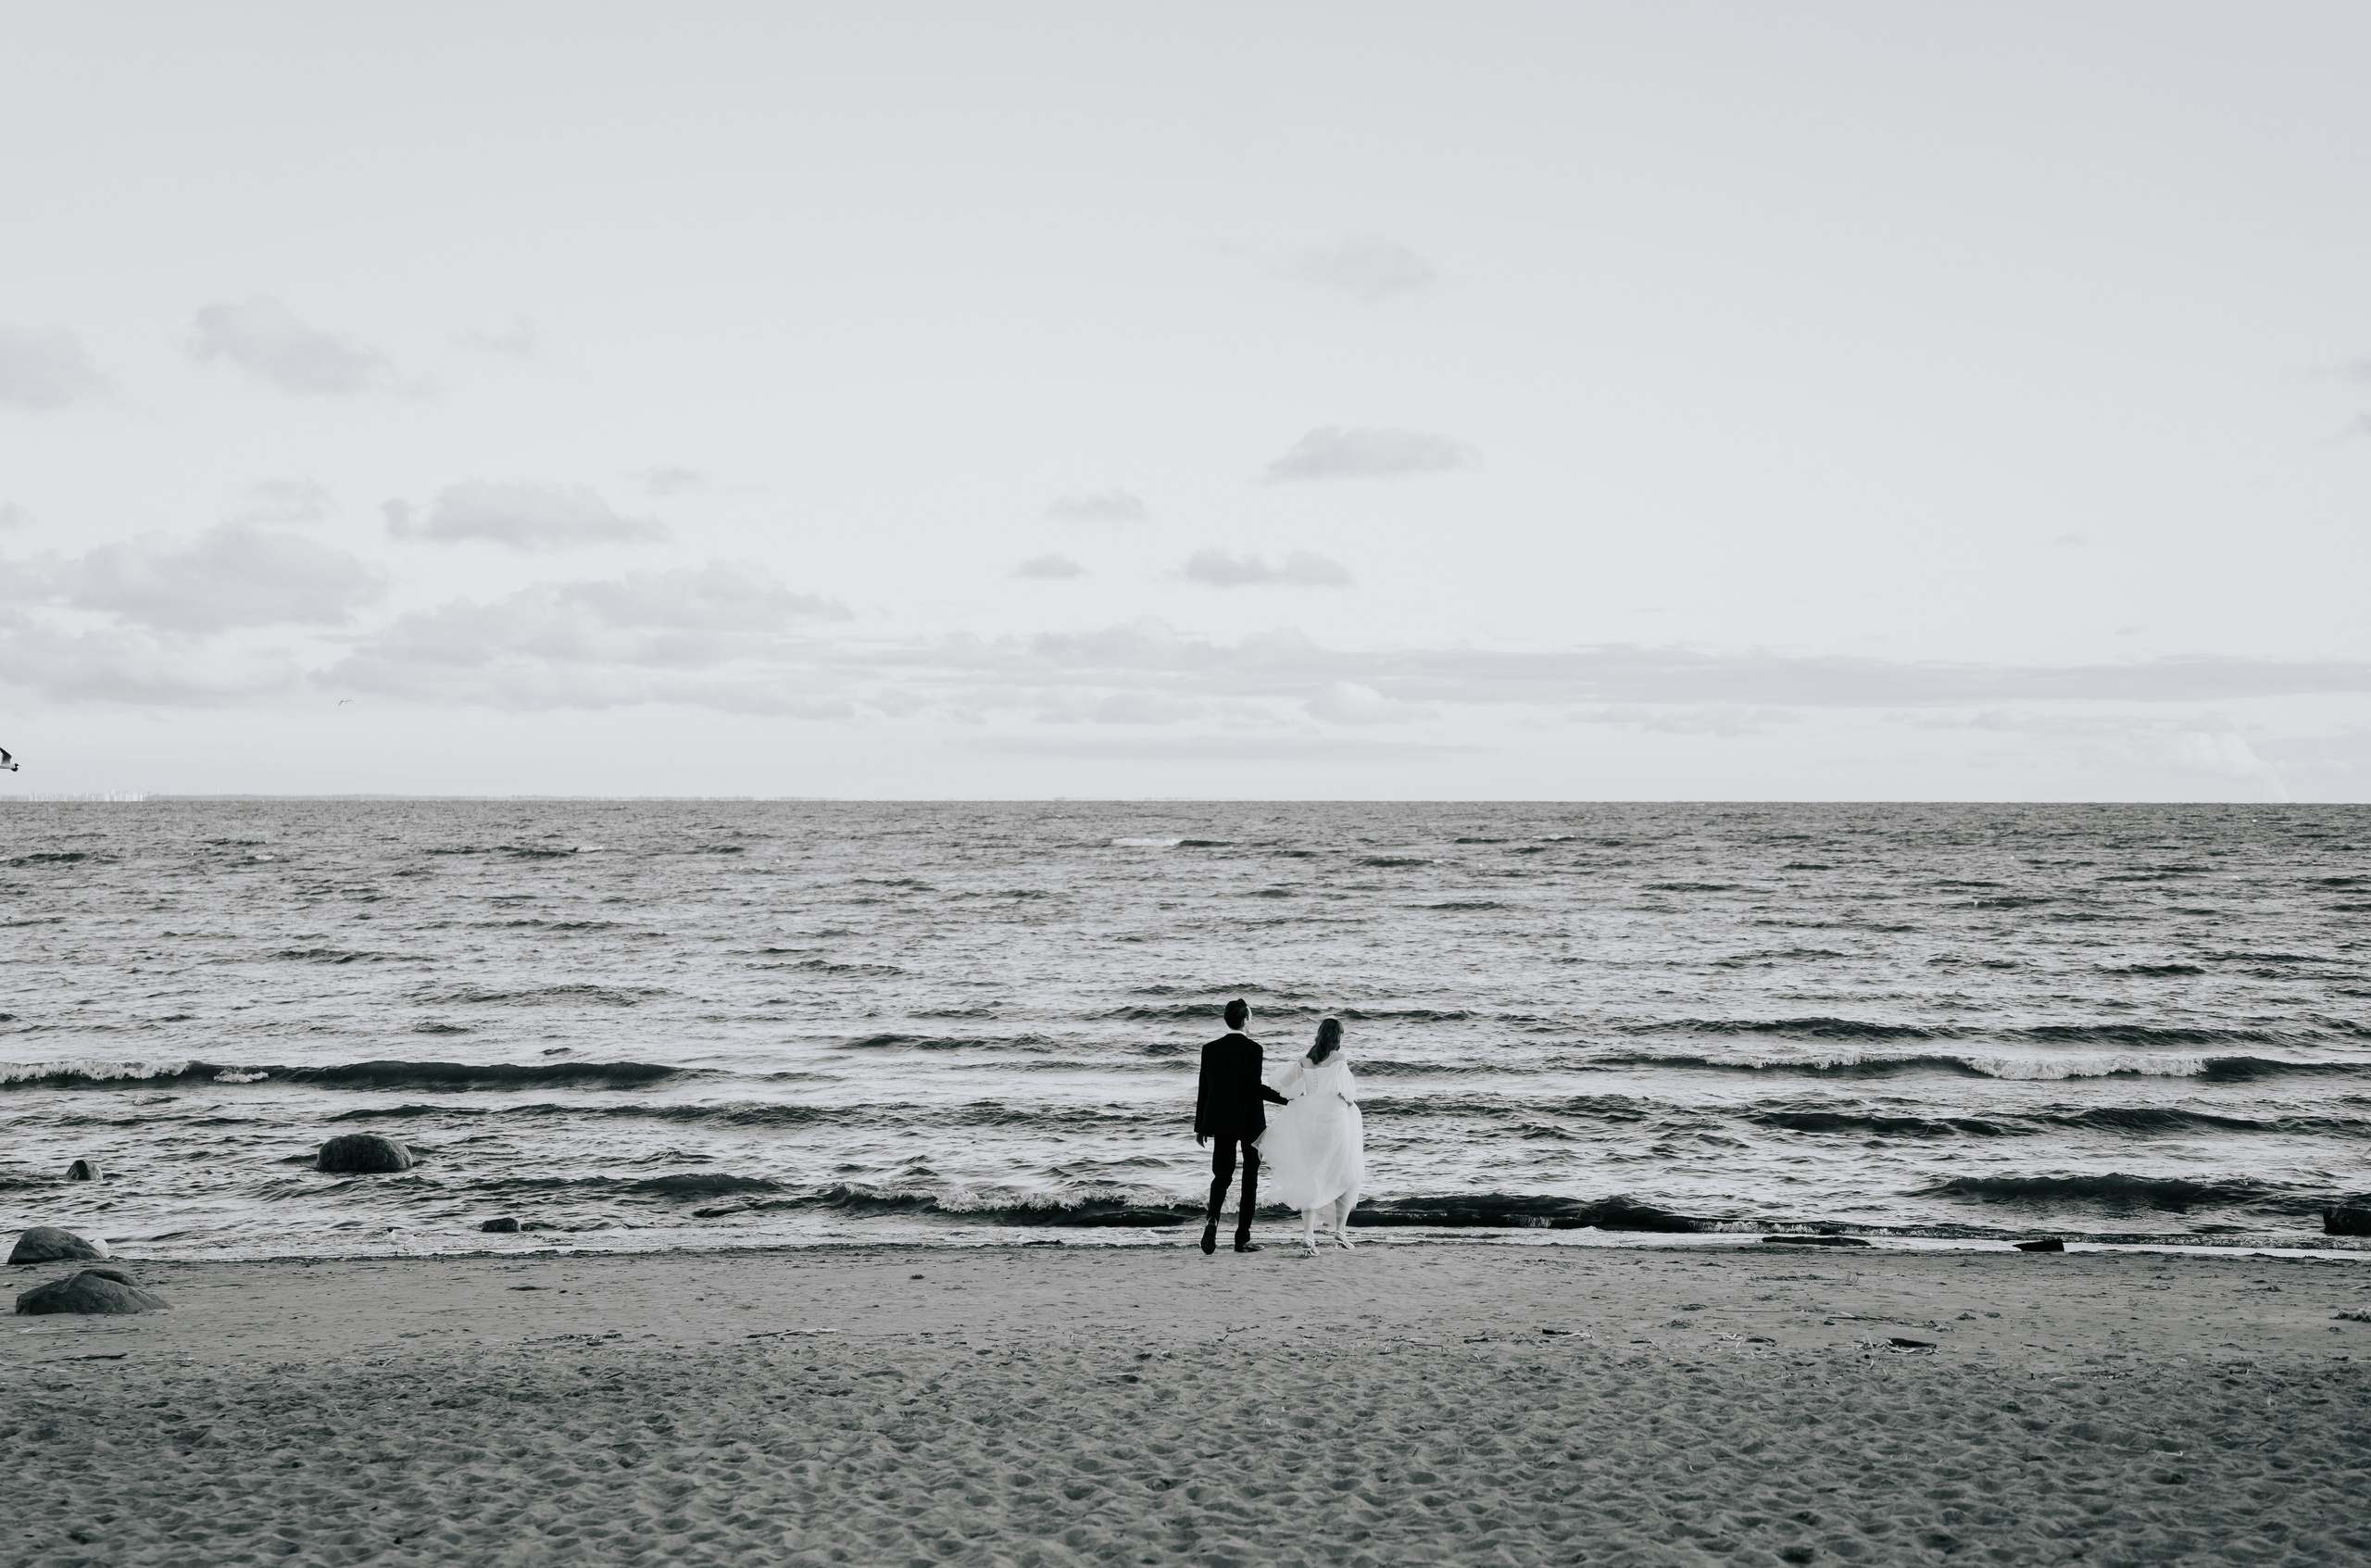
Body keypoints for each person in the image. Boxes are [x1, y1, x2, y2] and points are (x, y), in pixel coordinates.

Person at [1256, 1017, 1365, 1255]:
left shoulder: (1306, 1059)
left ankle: (1308, 1235)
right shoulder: (1339, 1059)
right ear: (1338, 1037)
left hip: (1307, 1121)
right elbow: (1347, 1095)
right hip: (1334, 1121)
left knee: (1311, 1177)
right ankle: (1340, 1231)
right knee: (1346, 1175)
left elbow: (1282, 1084)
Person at [1195, 997, 1287, 1255]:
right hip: (1250, 1123)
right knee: (1250, 1180)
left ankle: (1211, 1221)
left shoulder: (1210, 1048)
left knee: (1221, 1176)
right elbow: (1253, 1088)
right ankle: (1241, 1239)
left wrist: (1200, 1126)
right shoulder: (1253, 1049)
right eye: (1251, 1017)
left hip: (1220, 1121)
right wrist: (1287, 1099)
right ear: (1245, 1021)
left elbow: (1205, 1088)